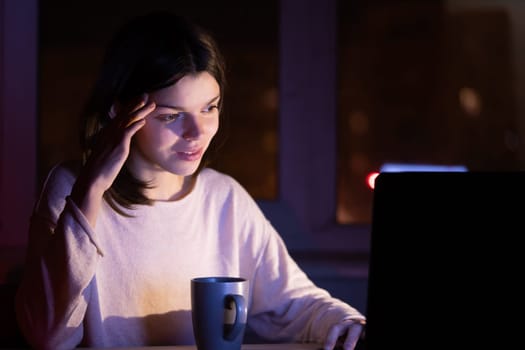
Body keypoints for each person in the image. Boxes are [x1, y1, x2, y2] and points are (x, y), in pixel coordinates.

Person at [15, 11, 365, 350]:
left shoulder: (222, 197)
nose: (197, 133)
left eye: (209, 108)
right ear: (119, 112)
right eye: (171, 116)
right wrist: (91, 191)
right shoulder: (71, 188)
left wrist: (348, 322)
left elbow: (293, 301)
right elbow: (48, 336)